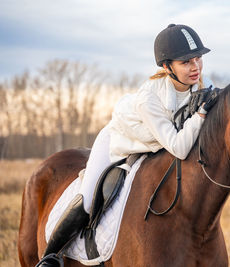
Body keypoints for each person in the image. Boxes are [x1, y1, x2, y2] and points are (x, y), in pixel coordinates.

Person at [36, 24, 218, 267]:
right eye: (186, 62)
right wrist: (202, 115)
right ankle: (51, 256)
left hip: (152, 147)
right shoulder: (149, 99)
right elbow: (180, 146)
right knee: (89, 198)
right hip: (117, 143)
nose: (195, 67)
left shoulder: (200, 87)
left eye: (198, 59)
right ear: (166, 67)